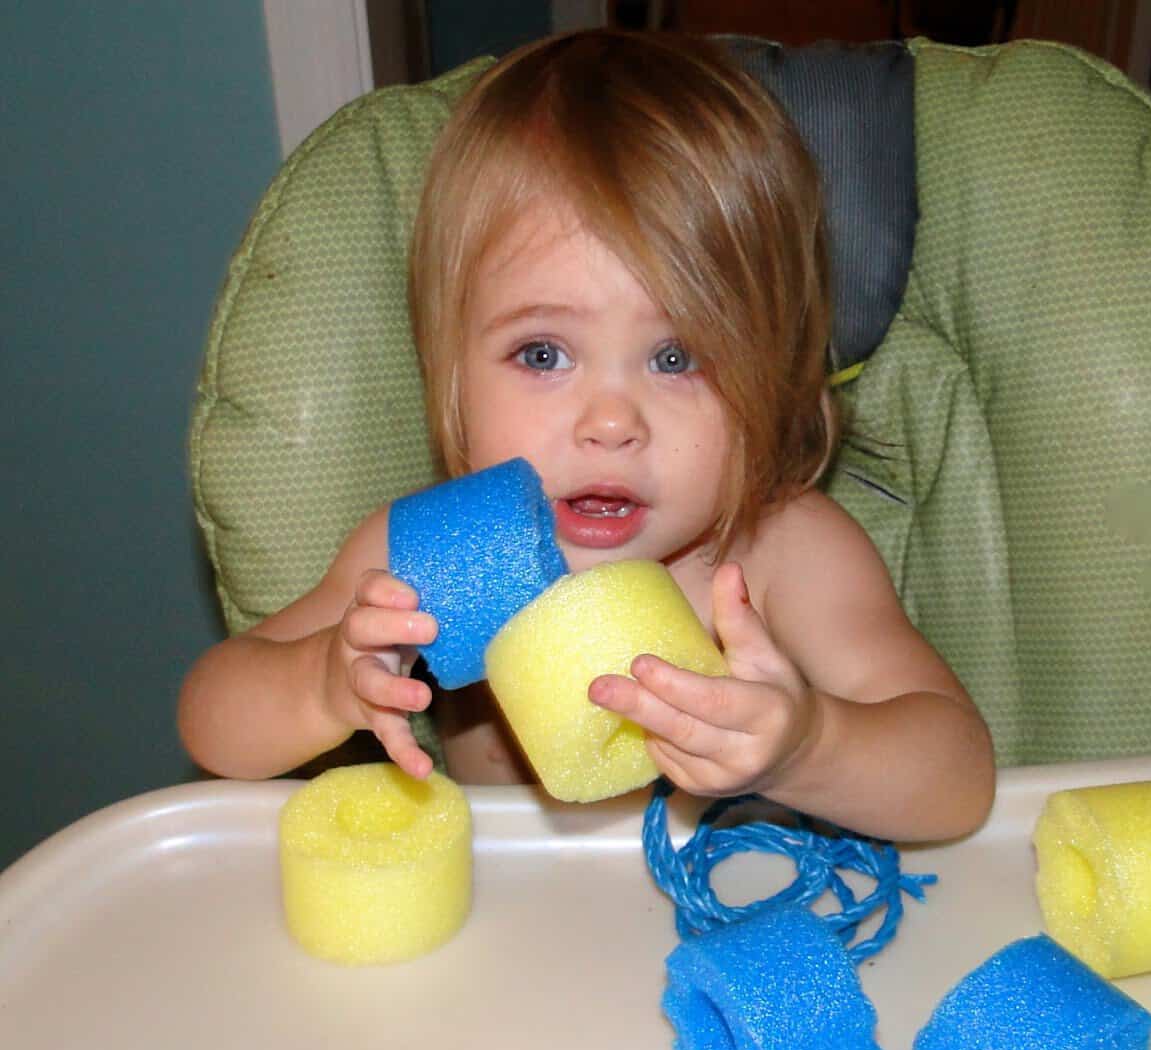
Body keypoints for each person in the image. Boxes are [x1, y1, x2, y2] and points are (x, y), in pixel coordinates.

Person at [178, 29, 994, 842]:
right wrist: (323, 685)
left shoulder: (779, 554)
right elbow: (211, 716)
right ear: (452, 375)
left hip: (742, 927)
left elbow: (958, 778)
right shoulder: (428, 564)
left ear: (771, 381)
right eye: (543, 353)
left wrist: (807, 744)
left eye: (678, 357)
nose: (611, 423)